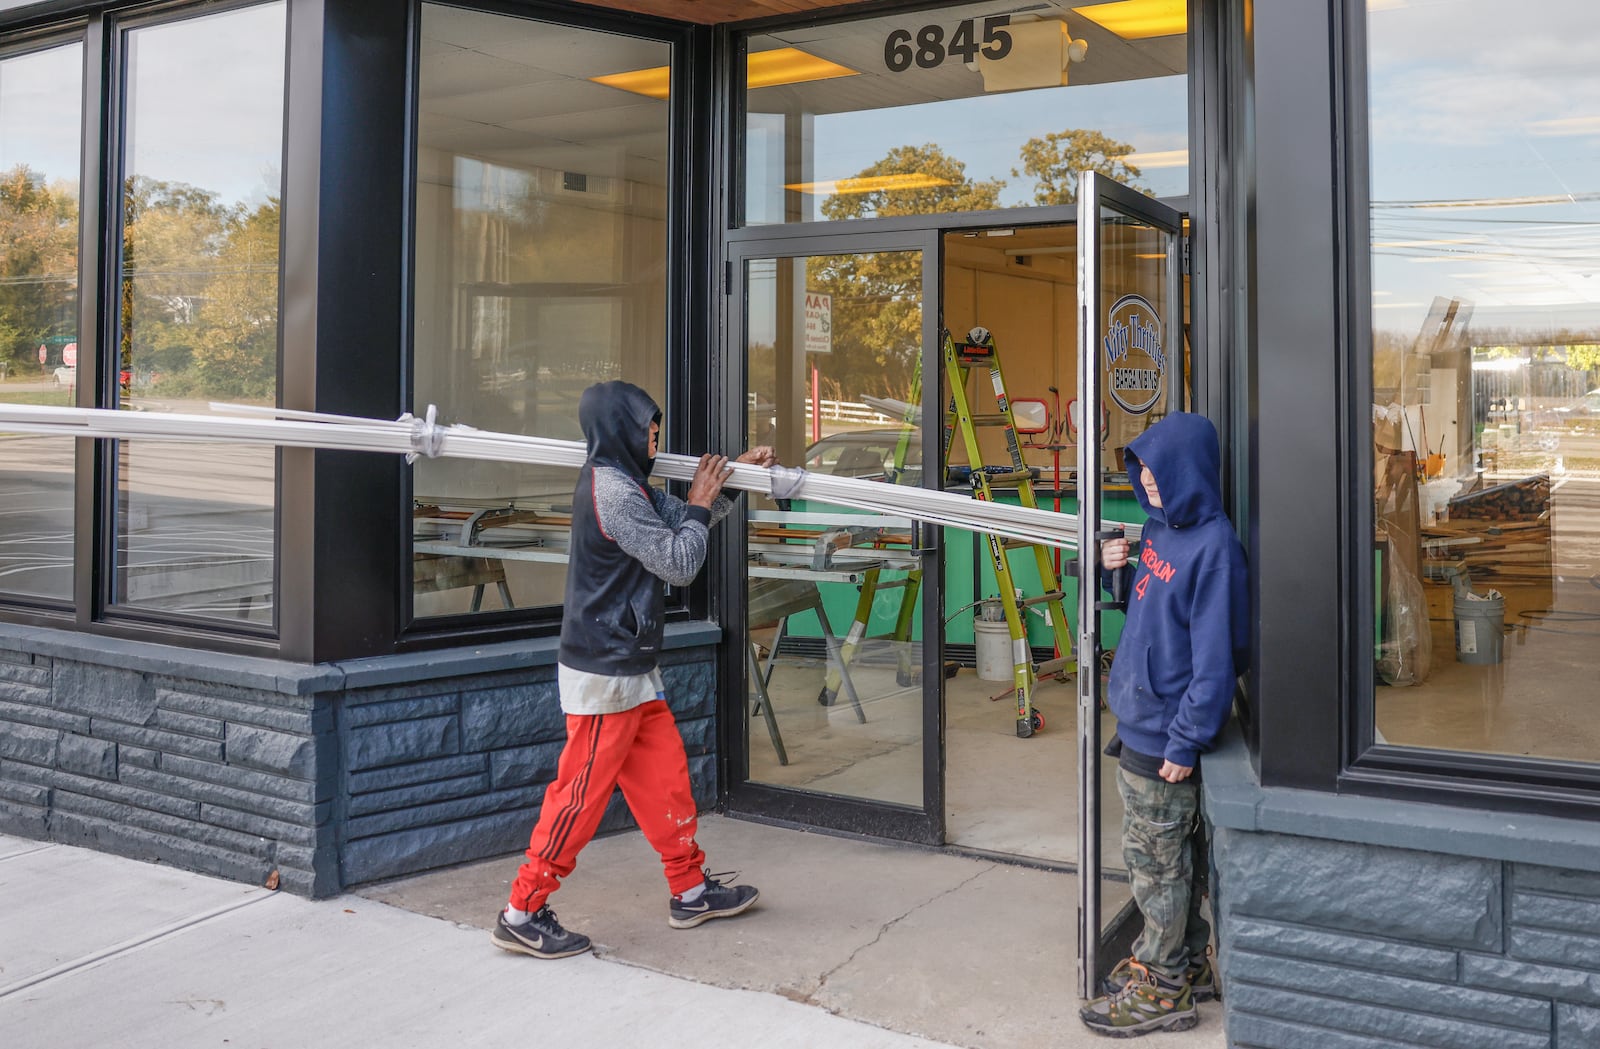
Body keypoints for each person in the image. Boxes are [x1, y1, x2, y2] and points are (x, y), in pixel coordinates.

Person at [492, 380, 777, 959]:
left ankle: (690, 890)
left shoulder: (628, 485)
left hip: (631, 666)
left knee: (665, 779)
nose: (656, 433)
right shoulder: (614, 493)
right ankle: (521, 911)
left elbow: (688, 517)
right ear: (620, 426)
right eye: (649, 423)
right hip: (604, 675)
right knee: (578, 798)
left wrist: (730, 480)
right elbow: (679, 561)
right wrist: (698, 503)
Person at [1078, 412, 1249, 1038]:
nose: (1148, 482)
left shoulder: (1215, 549)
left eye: (1158, 471)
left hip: (1166, 737)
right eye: (1141, 470)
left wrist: (1187, 738)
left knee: (1157, 870)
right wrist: (1112, 570)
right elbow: (1144, 612)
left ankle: (1163, 988)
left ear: (1189, 471)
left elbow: (1217, 661)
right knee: (1175, 861)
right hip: (1141, 720)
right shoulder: (1157, 531)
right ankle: (1188, 966)